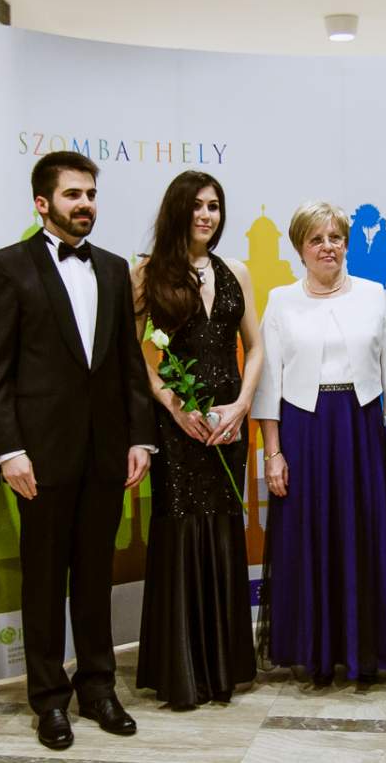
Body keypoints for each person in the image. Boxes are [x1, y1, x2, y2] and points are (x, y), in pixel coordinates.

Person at [0, 151, 156, 748]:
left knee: (96, 577)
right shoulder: (6, 267)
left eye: (91, 194)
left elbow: (128, 363)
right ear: (42, 202)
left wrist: (139, 436)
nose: (85, 204)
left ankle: (98, 688)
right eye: (73, 194)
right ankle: (49, 698)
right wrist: (9, 451)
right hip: (40, 457)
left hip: (105, 452)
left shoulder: (113, 268)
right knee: (45, 581)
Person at [254, 200, 386, 686]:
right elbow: (269, 385)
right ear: (299, 248)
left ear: (346, 244)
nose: (328, 247)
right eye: (316, 239)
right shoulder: (280, 300)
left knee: (361, 535)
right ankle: (314, 652)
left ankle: (361, 650)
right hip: (302, 431)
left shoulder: (372, 295)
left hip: (360, 429)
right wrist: (273, 453)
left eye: (336, 238)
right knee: (308, 539)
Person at [131, 171, 263, 709]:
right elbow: (134, 354)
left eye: (214, 206)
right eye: (198, 205)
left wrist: (242, 405)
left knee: (224, 530)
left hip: (229, 422)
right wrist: (172, 404)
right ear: (177, 211)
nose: (207, 215)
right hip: (178, 428)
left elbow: (255, 347)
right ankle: (183, 672)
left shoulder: (237, 270)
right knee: (183, 530)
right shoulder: (147, 273)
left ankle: (222, 668)